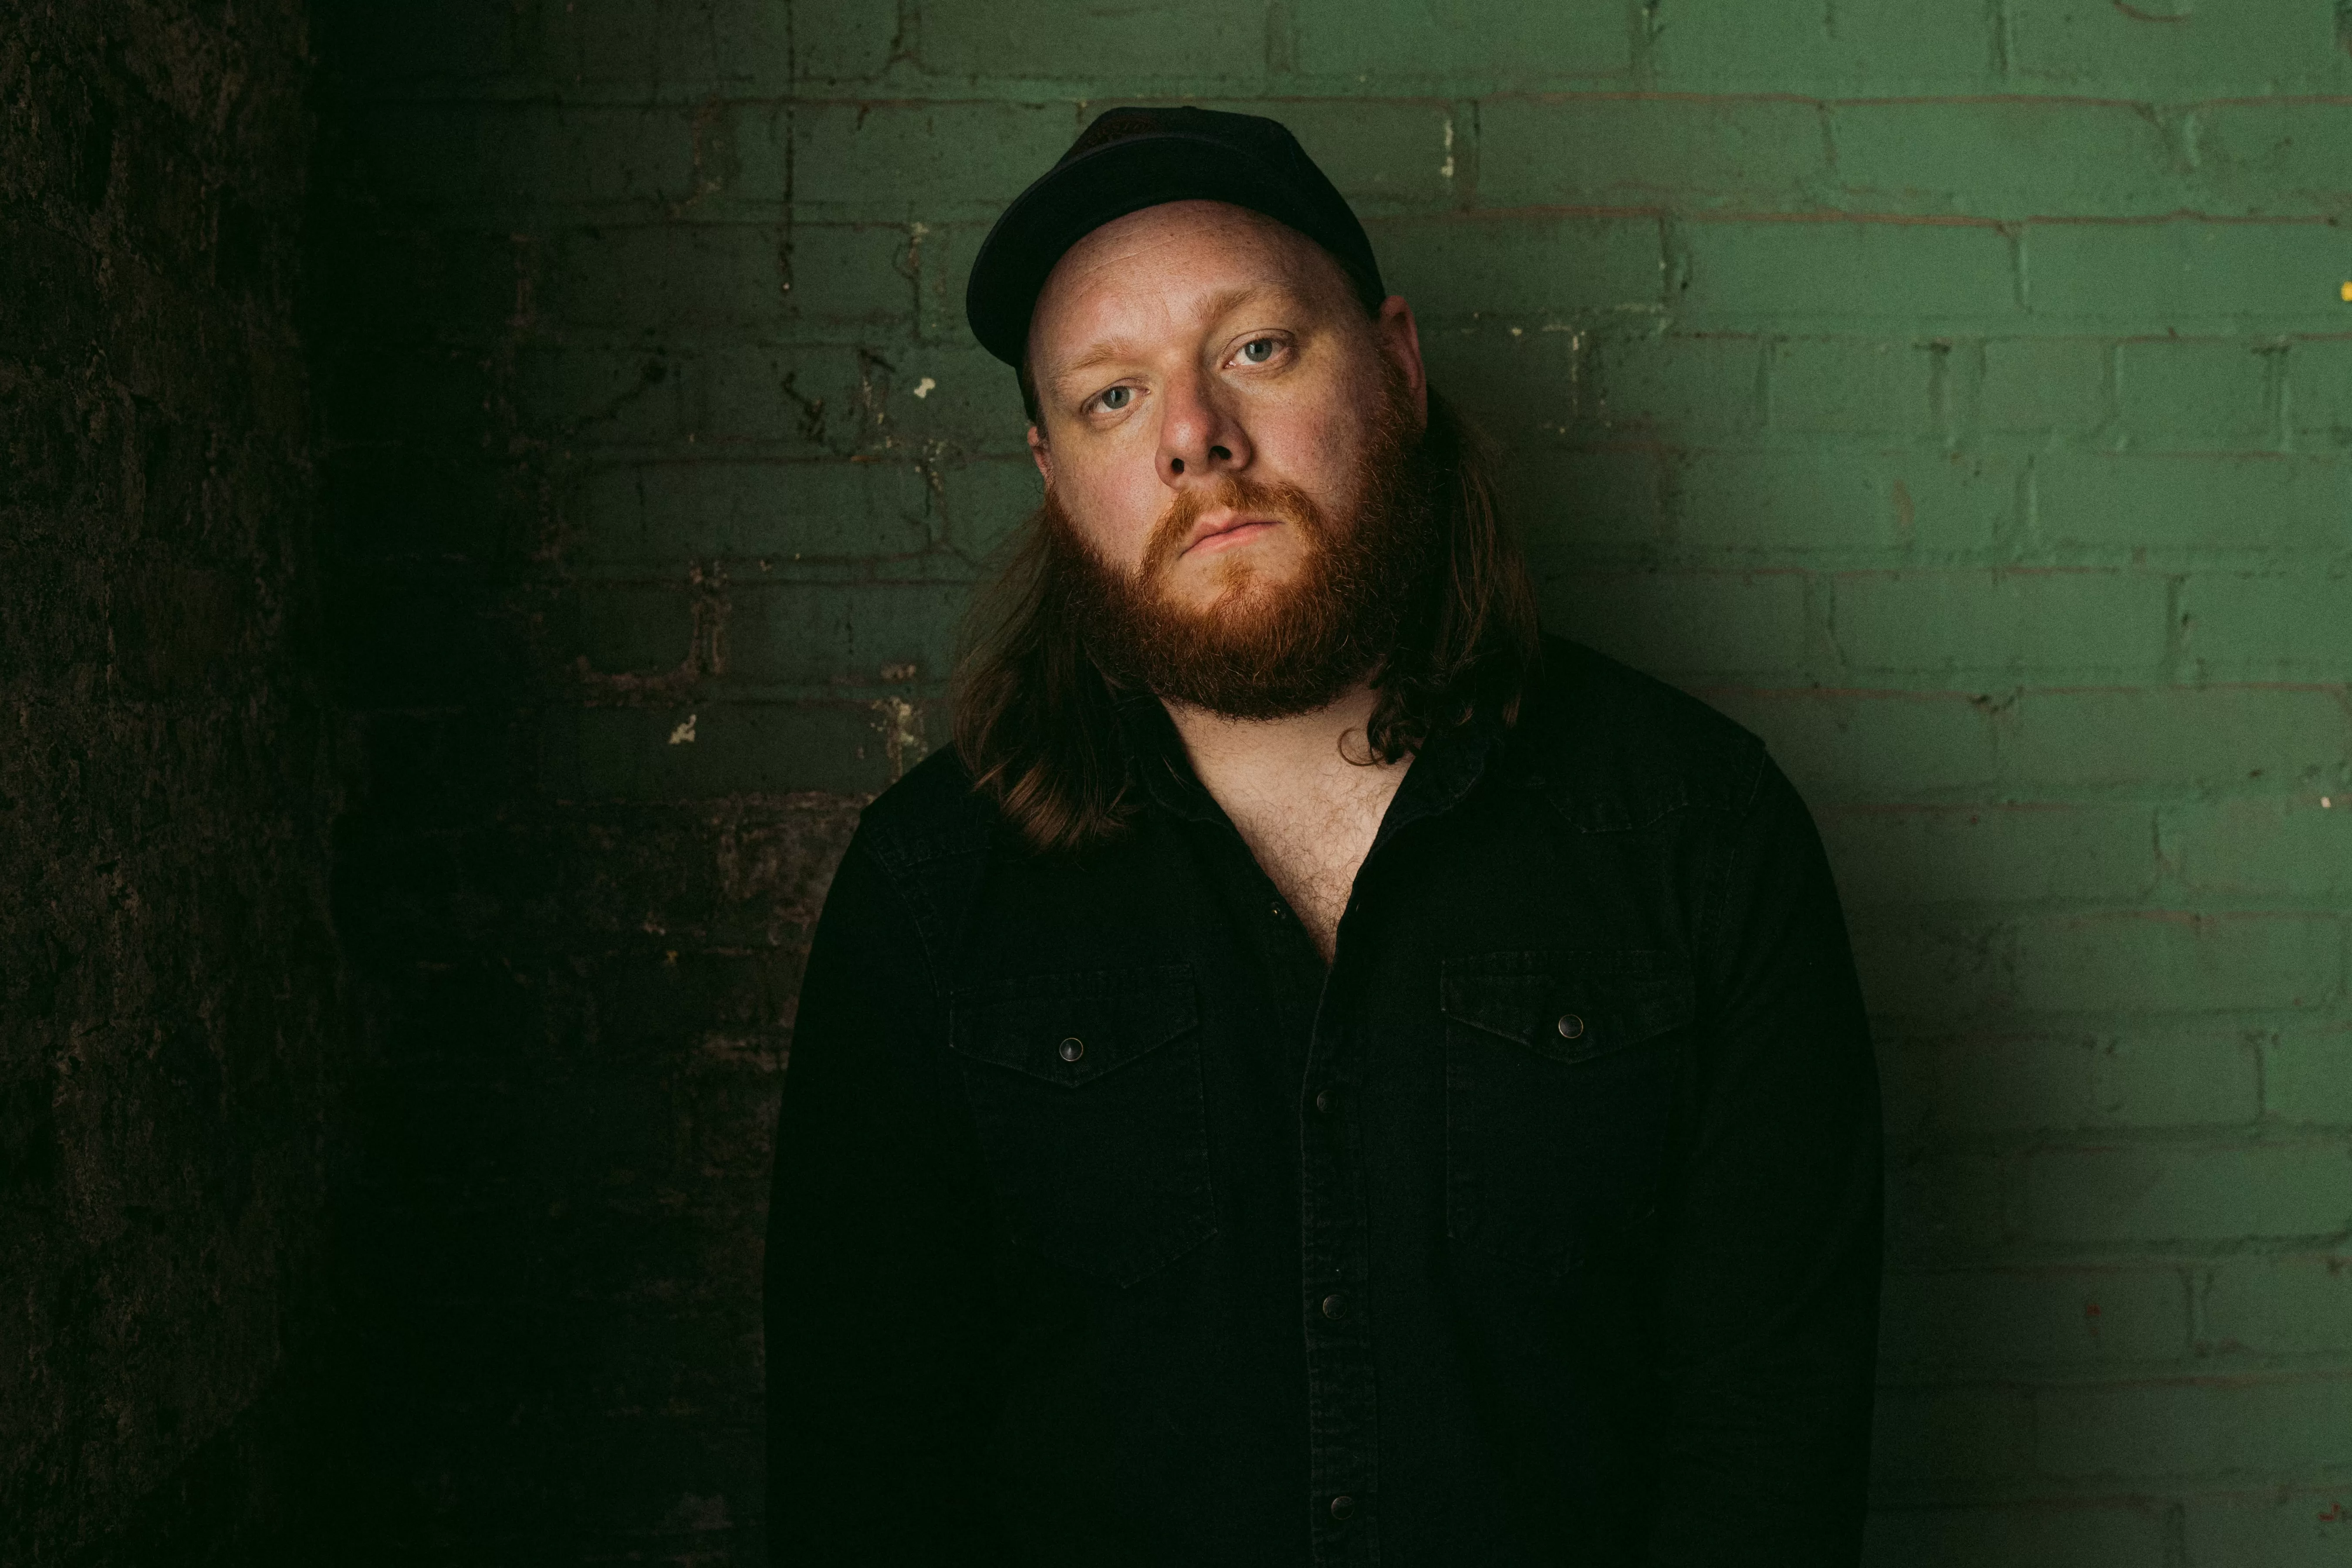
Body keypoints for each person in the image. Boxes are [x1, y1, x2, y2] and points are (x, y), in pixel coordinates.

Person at [765, 107, 1882, 1567]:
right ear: (1054, 478)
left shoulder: (1697, 835)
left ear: (1401, 368)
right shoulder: (934, 892)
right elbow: (862, 1475)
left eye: (1257, 350)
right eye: (1112, 397)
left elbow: (1769, 1453)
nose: (1193, 439)